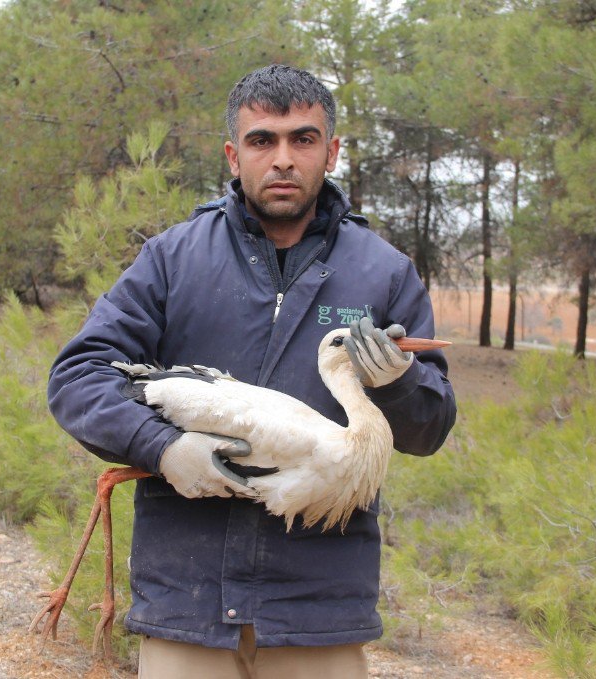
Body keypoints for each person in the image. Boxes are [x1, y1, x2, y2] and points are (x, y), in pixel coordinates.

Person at [47, 64, 457, 678]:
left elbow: (429, 429)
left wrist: (398, 383)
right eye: (263, 140)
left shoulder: (385, 273)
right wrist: (163, 449)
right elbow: (78, 377)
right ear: (233, 156)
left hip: (317, 616)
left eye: (303, 139)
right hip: (188, 609)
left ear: (331, 152)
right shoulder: (173, 259)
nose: (283, 159)